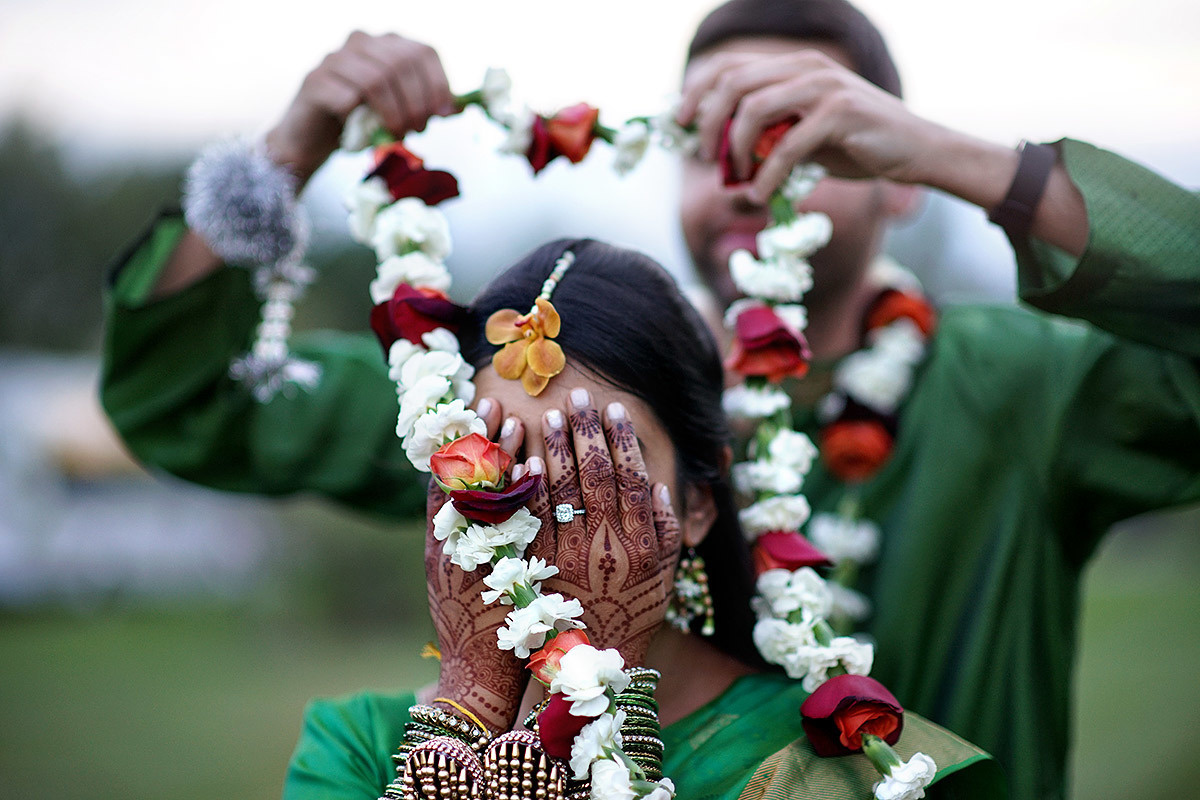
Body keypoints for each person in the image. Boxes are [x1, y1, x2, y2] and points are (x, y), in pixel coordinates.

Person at [99, 1, 1200, 797]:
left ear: (895, 171)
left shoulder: (1023, 386)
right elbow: (185, 399)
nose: (744, 173)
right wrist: (289, 148)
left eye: (800, 134)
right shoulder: (528, 398)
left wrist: (966, 157)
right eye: (708, 137)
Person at [283, 238, 1002, 799]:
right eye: (494, 467)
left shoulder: (827, 765)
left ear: (695, 505)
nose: (521, 524)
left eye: (595, 474)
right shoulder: (354, 747)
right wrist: (469, 703)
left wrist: (592, 701)